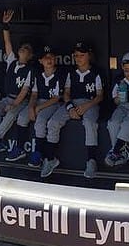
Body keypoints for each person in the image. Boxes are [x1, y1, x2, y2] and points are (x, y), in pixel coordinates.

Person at [41, 42, 104, 180]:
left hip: (90, 103)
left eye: (82, 55)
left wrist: (86, 106)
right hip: (72, 103)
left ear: (89, 56)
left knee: (89, 123)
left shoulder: (96, 72)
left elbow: (100, 96)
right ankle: (50, 159)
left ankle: (91, 161)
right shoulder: (71, 72)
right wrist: (70, 107)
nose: (79, 58)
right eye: (76, 56)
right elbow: (66, 93)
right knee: (53, 122)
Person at [0, 10, 36, 156]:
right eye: (22, 49)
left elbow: (24, 91)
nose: (23, 51)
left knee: (11, 113)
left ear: (30, 55)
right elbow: (7, 42)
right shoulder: (12, 61)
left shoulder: (30, 70)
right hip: (7, 97)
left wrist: (14, 104)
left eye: (27, 50)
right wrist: (5, 24)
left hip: (21, 101)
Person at [27, 45, 63, 168]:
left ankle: (42, 153)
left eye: (51, 57)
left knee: (41, 120)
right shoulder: (39, 75)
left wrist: (38, 108)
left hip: (54, 103)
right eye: (46, 57)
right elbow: (34, 93)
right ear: (40, 61)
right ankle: (38, 153)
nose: (49, 60)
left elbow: (57, 97)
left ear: (56, 59)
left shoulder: (59, 74)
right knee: (36, 120)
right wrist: (31, 107)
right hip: (41, 102)